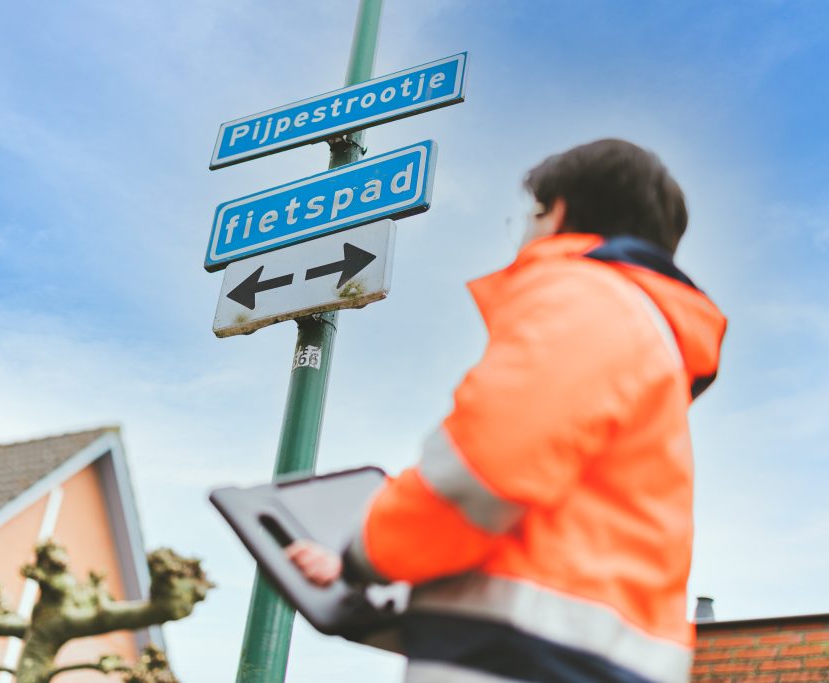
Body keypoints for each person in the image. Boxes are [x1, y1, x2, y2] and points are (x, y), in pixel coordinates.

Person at [287, 138, 727, 683]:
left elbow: (484, 469)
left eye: (528, 214)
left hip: (525, 654)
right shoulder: (645, 332)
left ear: (556, 211)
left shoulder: (586, 295)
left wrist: (362, 554)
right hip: (587, 651)